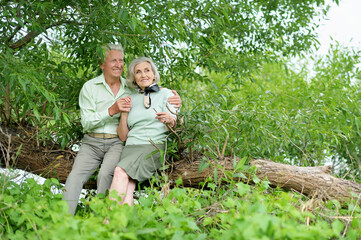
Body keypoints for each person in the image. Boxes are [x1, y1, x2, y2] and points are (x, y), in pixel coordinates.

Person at [63, 45, 181, 215]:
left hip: (132, 144)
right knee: (82, 178)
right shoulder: (99, 89)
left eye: (121, 60)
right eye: (113, 60)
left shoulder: (149, 90)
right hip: (106, 143)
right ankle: (67, 221)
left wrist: (173, 111)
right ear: (102, 64)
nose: (118, 64)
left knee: (111, 173)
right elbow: (96, 126)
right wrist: (117, 112)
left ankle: (104, 219)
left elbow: (168, 112)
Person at [108, 57, 177, 205]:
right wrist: (124, 114)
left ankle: (108, 221)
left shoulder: (167, 95)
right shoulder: (130, 99)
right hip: (131, 147)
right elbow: (123, 136)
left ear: (153, 74)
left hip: (152, 146)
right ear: (134, 77)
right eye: (138, 72)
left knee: (120, 172)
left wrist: (170, 120)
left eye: (147, 70)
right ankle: (123, 226)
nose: (143, 75)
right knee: (128, 187)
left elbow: (173, 125)